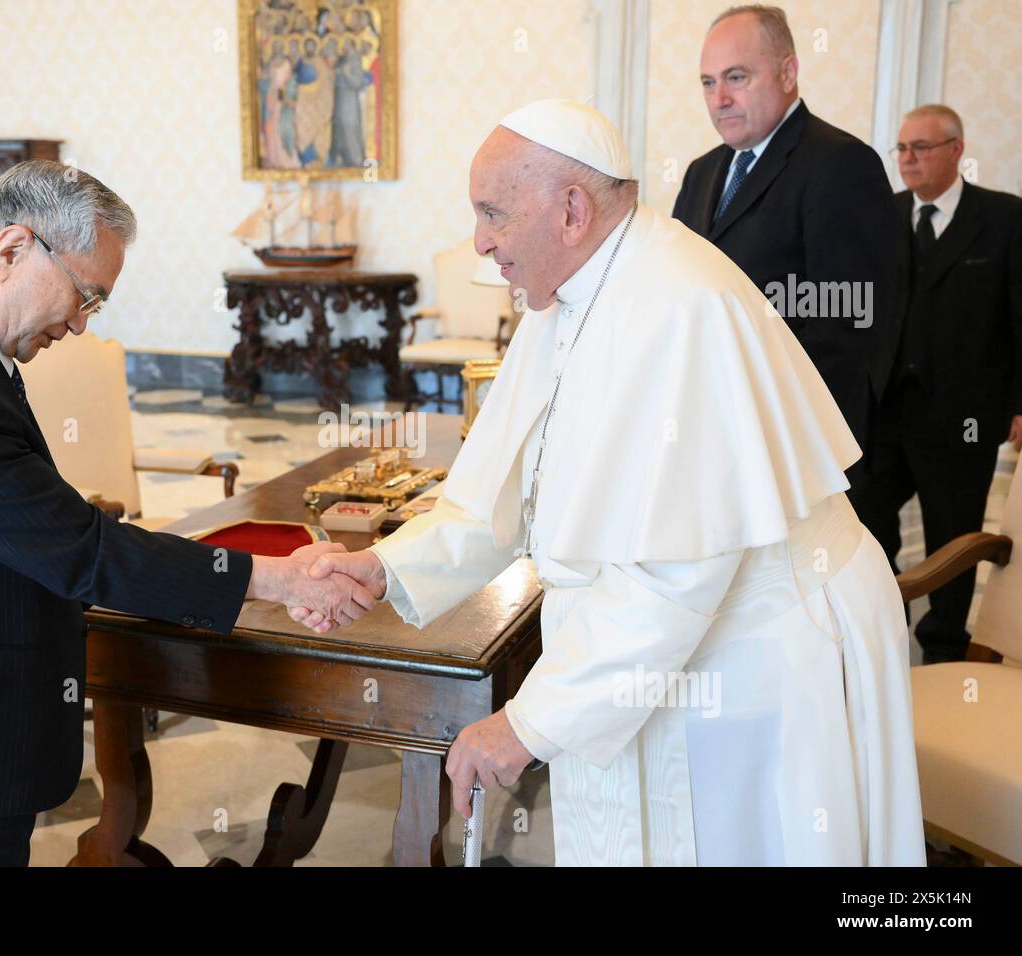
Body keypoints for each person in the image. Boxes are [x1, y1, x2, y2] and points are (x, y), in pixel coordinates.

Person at [288, 100, 925, 866]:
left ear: (571, 209)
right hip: (679, 640)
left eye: (492, 214)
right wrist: (387, 567)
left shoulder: (681, 308)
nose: (480, 241)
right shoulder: (568, 291)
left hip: (765, 651)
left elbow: (673, 572)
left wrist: (529, 723)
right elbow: (499, 488)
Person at [0, 160, 373, 866]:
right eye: (84, 294)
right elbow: (81, 550)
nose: (81, 324)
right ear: (13, 249)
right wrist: (278, 580)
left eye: (95, 305)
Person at [672, 4, 897, 452]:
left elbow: (846, 321)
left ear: (788, 72)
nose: (719, 99)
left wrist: (767, 421)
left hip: (794, 438)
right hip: (707, 422)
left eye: (736, 77)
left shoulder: (841, 164)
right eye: (708, 82)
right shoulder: (702, 171)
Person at [853, 104, 1022, 664]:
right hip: (885, 411)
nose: (907, 159)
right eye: (901, 148)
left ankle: (945, 657)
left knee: (953, 536)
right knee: (867, 527)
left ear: (956, 150)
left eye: (920, 148)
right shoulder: (883, 214)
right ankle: (885, 643)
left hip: (964, 416)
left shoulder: (1004, 219)